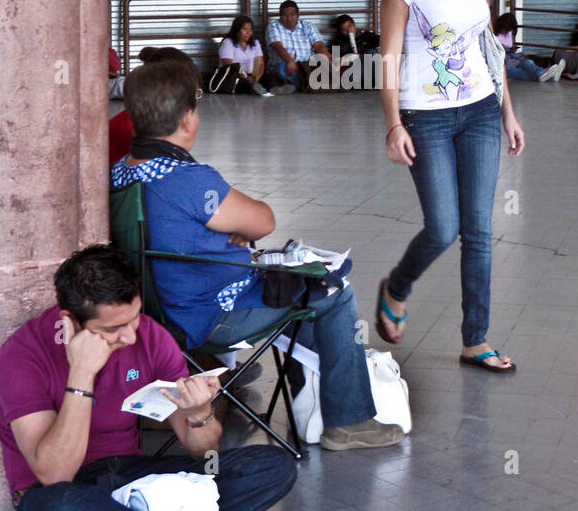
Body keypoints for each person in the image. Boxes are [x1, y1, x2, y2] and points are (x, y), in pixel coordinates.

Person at [110, 58, 403, 452]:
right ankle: (347, 421)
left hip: (157, 311)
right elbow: (263, 221)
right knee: (333, 289)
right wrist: (233, 230)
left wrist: (220, 229)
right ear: (187, 120)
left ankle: (310, 401)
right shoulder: (187, 179)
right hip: (211, 318)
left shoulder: (119, 174)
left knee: (301, 292)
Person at [0, 244, 311, 511]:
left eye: (135, 318)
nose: (130, 336)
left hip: (134, 481)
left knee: (272, 465)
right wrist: (81, 374)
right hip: (58, 496)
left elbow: (202, 451)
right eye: (114, 328)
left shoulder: (149, 336)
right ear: (70, 322)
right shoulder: (22, 355)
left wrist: (198, 414)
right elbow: (54, 475)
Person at [377, 0, 525, 375]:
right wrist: (394, 123)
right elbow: (389, 57)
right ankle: (397, 286)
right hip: (427, 118)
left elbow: (488, 46)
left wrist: (507, 110)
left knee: (479, 232)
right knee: (442, 227)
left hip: (481, 109)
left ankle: (474, 339)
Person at [265, 0, 334, 92]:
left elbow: (318, 45)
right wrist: (289, 60)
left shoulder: (308, 26)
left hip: (305, 67)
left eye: (292, 14)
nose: (289, 18)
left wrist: (327, 58)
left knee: (326, 67)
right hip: (284, 65)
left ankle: (295, 86)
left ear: (298, 15)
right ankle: (304, 85)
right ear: (280, 16)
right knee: (281, 68)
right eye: (285, 15)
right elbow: (277, 46)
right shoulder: (273, 26)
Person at [495, 11, 563, 82]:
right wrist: (504, 48)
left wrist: (511, 47)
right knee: (525, 67)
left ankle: (547, 75)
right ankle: (544, 73)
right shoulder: (494, 36)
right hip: (503, 63)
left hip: (511, 60)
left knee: (525, 67)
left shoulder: (509, 34)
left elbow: (509, 45)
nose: (508, 33)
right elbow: (498, 50)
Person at [213, 15, 272, 96]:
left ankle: (270, 88)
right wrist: (246, 78)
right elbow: (229, 65)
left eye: (250, 29)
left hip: (252, 75)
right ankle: (256, 88)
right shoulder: (228, 42)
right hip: (235, 76)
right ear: (237, 30)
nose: (248, 33)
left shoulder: (255, 43)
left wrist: (256, 78)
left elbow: (260, 63)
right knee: (242, 83)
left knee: (269, 78)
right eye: (245, 29)